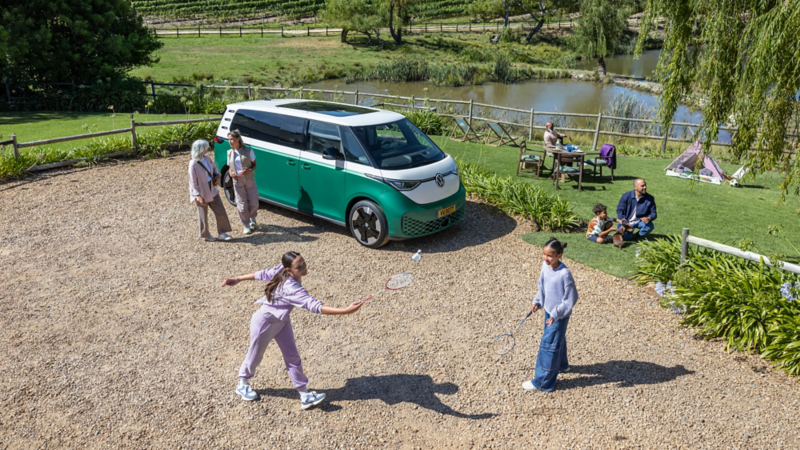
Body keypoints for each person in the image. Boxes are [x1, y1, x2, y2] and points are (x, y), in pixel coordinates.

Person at [222, 251, 364, 409]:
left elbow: (261, 274)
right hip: (264, 323)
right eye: (299, 266)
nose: (304, 267)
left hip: (281, 321)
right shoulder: (293, 289)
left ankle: (304, 394)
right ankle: (242, 383)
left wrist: (238, 278)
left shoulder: (282, 270)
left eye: (303, 262)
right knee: (255, 355)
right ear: (289, 270)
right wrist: (345, 310)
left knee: (292, 356)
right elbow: (315, 306)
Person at [523, 238, 578, 393]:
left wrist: (556, 313)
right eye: (544, 254)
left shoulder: (565, 274)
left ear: (559, 255)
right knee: (556, 339)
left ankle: (543, 382)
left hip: (558, 315)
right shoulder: (545, 266)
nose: (546, 258)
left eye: (550, 256)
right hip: (549, 311)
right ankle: (562, 365)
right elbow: (542, 286)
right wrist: (538, 302)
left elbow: (571, 299)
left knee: (549, 345)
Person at [188, 139, 232, 242]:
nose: (208, 149)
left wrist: (218, 176)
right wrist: (198, 196)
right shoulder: (193, 164)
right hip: (201, 191)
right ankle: (206, 235)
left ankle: (222, 233)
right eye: (206, 147)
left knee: (220, 210)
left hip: (212, 188)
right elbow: (193, 183)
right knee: (203, 214)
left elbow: (214, 169)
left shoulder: (207, 158)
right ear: (201, 149)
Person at [227, 130, 259, 235]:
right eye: (229, 140)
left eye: (232, 139)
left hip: (249, 178)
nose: (230, 142)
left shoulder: (248, 150)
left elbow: (255, 165)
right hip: (237, 181)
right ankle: (246, 224)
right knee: (241, 203)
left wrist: (248, 170)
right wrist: (231, 174)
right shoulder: (229, 152)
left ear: (238, 139)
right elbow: (229, 167)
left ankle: (252, 216)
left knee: (254, 202)